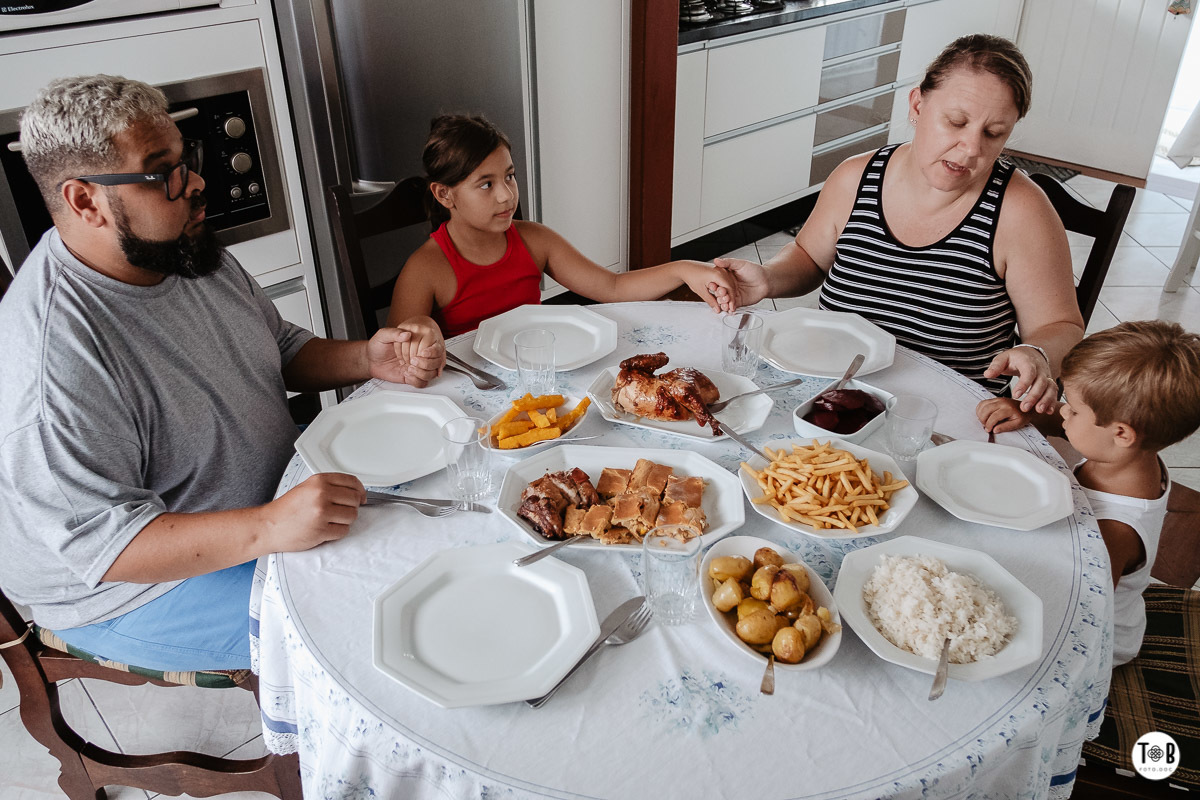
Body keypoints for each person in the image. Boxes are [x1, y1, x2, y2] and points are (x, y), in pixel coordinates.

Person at [0, 75, 445, 672]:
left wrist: (367, 358)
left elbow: (277, 345)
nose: (195, 183)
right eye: (163, 172)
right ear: (85, 202)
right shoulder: (53, 360)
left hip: (265, 496)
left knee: (435, 522)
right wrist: (269, 526)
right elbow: (106, 545)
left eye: (187, 159)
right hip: (130, 588)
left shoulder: (180, 249)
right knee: (370, 624)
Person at [711, 34, 1083, 414]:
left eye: (993, 133)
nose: (972, 148)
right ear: (917, 104)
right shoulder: (855, 178)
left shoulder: (1021, 211)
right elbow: (809, 257)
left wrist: (1038, 353)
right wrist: (768, 277)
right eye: (956, 122)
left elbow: (1061, 325)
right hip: (835, 400)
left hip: (946, 417)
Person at [385, 114, 735, 336]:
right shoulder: (425, 269)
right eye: (486, 184)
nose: (507, 195)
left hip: (538, 375)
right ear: (444, 194)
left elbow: (613, 287)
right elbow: (400, 355)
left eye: (510, 176)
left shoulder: (534, 240)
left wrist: (684, 269)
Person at [978, 320, 1200, 665]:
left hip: (1096, 638)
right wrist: (1027, 414)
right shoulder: (1127, 455)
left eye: (1074, 408)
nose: (1063, 410)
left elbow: (1076, 609)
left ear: (1122, 433)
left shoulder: (1115, 531)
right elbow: (1072, 426)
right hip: (1070, 565)